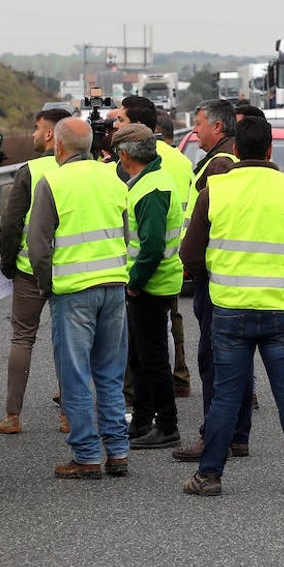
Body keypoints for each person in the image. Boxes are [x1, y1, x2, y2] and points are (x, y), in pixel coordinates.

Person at [178, 116, 284, 496]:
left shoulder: (214, 190)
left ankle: (209, 476)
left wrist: (219, 270)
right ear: (270, 151)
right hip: (281, 310)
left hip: (230, 309)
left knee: (226, 395)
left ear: (234, 151)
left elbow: (189, 254)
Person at [28, 116, 131, 480]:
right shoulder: (112, 177)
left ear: (58, 146)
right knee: (110, 374)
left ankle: (87, 455)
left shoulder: (51, 181)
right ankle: (118, 451)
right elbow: (126, 233)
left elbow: (38, 246)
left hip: (72, 292)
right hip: (114, 286)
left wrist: (45, 285)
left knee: (75, 375)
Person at [173, 99, 253, 461]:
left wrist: (196, 266)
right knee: (233, 359)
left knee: (214, 359)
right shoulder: (222, 159)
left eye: (199, 123)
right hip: (226, 273)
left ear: (218, 127)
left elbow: (214, 225)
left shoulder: (219, 165)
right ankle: (236, 435)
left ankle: (215, 437)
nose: (194, 130)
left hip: (213, 276)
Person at [0, 107, 74, 436]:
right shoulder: (92, 169)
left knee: (22, 338)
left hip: (29, 269)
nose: (33, 135)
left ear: (52, 134)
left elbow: (11, 223)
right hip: (71, 269)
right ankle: (69, 415)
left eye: (38, 129)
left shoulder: (31, 170)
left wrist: (7, 264)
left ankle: (13, 416)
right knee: (70, 342)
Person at [114, 123, 184, 449]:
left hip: (151, 285)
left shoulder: (150, 189)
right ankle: (142, 421)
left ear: (125, 155)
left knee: (153, 358)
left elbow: (152, 246)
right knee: (141, 356)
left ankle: (167, 425)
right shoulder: (149, 181)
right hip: (155, 282)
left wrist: (135, 283)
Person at [153, 109, 194, 398]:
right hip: (178, 247)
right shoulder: (183, 161)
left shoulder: (145, 159)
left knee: (152, 322)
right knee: (173, 316)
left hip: (151, 248)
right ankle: (180, 375)